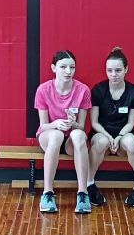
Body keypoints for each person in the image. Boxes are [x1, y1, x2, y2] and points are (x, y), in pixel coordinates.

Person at [33, 50, 93, 214]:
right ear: (53, 68)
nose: (68, 71)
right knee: (56, 135)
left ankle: (83, 193)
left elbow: (81, 126)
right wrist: (56, 124)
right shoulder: (43, 89)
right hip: (49, 136)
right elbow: (43, 125)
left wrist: (73, 123)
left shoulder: (83, 90)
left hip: (70, 140)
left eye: (72, 67)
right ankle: (47, 193)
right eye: (63, 67)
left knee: (79, 135)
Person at [87, 47, 134, 207]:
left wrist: (119, 137)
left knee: (132, 144)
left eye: (118, 70)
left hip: (124, 133)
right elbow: (94, 123)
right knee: (101, 142)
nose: (114, 74)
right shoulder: (98, 90)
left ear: (126, 69)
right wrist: (108, 136)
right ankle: (89, 183)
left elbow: (130, 123)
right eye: (110, 70)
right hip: (101, 132)